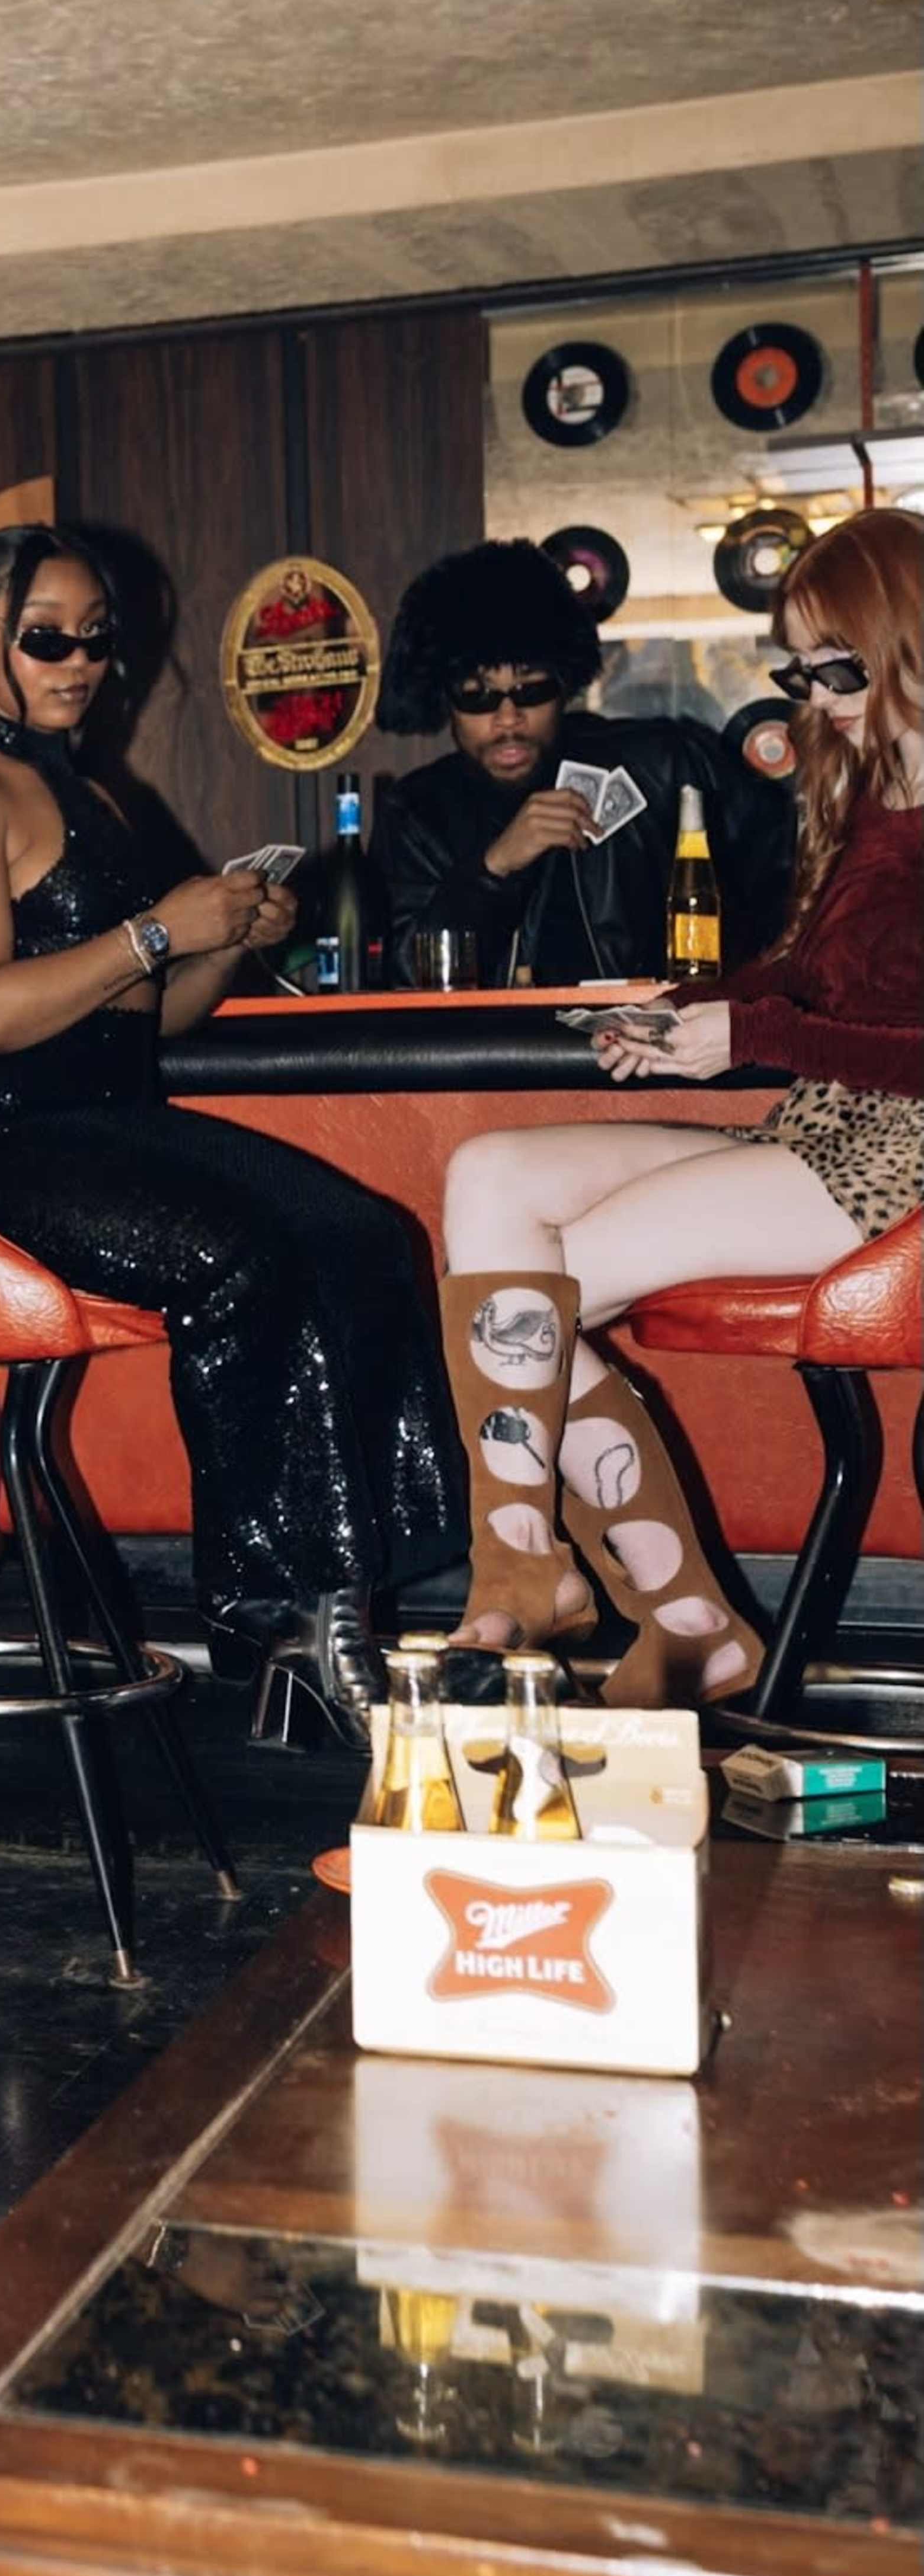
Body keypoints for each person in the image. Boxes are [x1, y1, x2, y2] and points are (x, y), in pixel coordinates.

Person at [0, 523, 466, 1741]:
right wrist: (157, 929)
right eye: (49, 637)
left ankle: (352, 1596)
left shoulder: (84, 792)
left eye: (101, 640)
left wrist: (227, 938)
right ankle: (276, 1617)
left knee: (359, 1231)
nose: (83, 661)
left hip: (107, 1122)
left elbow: (153, 1018)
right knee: (245, 1256)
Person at [436, 508, 922, 1705]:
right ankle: (634, 1600)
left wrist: (742, 1035)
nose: (816, 694)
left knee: (524, 1304)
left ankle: (556, 1578)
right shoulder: (872, 799)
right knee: (491, 1178)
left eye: (838, 666)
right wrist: (688, 1000)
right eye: (797, 670)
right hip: (824, 1136)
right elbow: (817, 980)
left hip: (899, 1171)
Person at [373, 539, 791, 987]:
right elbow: (404, 977)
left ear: (565, 686)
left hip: (660, 1050)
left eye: (532, 689)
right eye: (478, 696)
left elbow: (787, 879)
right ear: (445, 701)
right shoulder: (416, 812)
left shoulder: (665, 765)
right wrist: (494, 868)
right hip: (496, 1053)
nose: (508, 717)